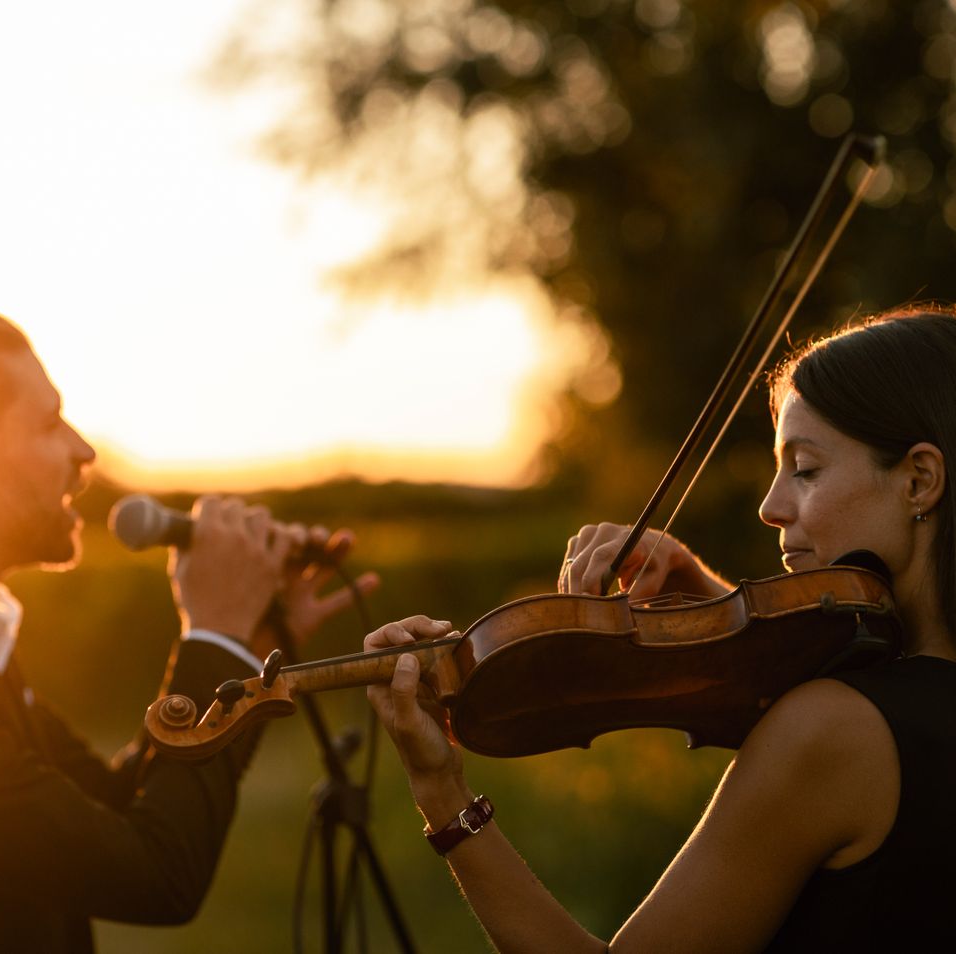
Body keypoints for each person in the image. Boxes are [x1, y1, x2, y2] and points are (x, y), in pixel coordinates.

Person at [364, 302, 956, 952]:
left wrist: (441, 791)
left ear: (920, 480)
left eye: (806, 468)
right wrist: (715, 605)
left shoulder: (834, 732)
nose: (771, 505)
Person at [0, 305, 378, 952]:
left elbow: (123, 805)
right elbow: (155, 874)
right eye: (47, 423)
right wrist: (214, 633)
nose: (83, 450)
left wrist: (252, 645)